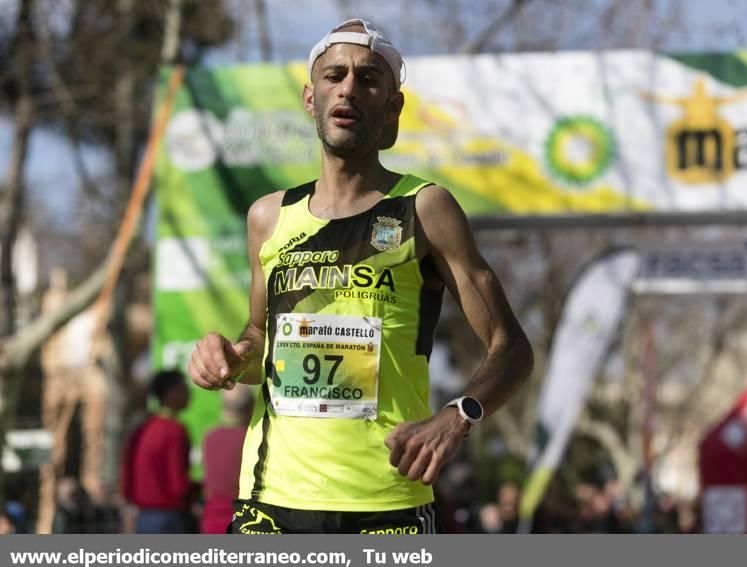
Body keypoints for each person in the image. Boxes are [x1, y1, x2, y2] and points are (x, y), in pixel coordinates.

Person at [188, 18, 533, 534]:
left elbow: (513, 347)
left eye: (368, 79)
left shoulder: (425, 209)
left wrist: (460, 412)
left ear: (392, 107)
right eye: (334, 76)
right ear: (310, 97)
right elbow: (260, 339)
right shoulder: (268, 217)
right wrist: (231, 358)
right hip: (270, 501)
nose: (348, 87)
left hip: (386, 503)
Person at [120, 369, 195, 533]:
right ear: (171, 393)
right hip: (171, 519)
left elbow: (126, 476)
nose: (189, 393)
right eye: (183, 388)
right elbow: (177, 483)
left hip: (143, 518)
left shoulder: (141, 429)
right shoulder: (174, 430)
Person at [200, 385, 254, 534]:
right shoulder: (252, 439)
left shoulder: (210, 437)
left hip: (212, 519)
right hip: (245, 518)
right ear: (251, 406)